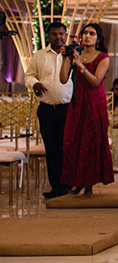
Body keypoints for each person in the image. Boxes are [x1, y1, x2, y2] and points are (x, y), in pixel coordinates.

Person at [59, 23, 114, 197]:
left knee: (90, 144)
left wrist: (80, 65)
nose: (87, 36)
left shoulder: (103, 57)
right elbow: (63, 79)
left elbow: (95, 81)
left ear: (98, 38)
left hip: (94, 104)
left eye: (92, 33)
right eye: (85, 33)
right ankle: (77, 181)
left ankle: (89, 184)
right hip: (77, 103)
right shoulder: (75, 55)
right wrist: (66, 58)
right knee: (72, 142)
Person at [25, 22, 73, 198]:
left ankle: (68, 184)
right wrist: (34, 83)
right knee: (51, 148)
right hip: (46, 109)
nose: (58, 37)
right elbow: (29, 75)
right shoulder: (39, 56)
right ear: (48, 36)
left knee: (66, 148)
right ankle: (56, 186)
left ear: (65, 35)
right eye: (54, 34)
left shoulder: (72, 55)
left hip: (68, 109)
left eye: (61, 34)